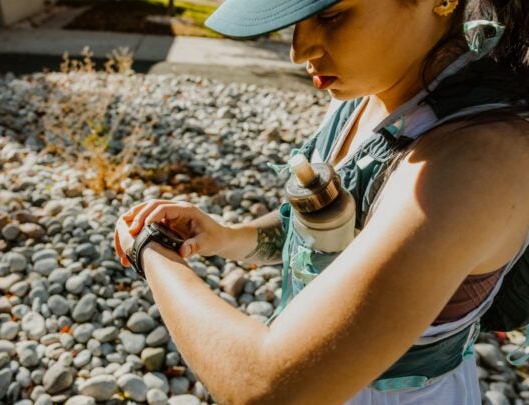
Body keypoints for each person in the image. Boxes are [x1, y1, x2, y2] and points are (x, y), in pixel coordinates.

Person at [114, 0, 529, 403]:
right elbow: (331, 229)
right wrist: (229, 237)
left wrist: (151, 250)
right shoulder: (369, 91)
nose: (299, 51)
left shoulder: (474, 161)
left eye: (330, 15)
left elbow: (269, 388)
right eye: (294, 18)